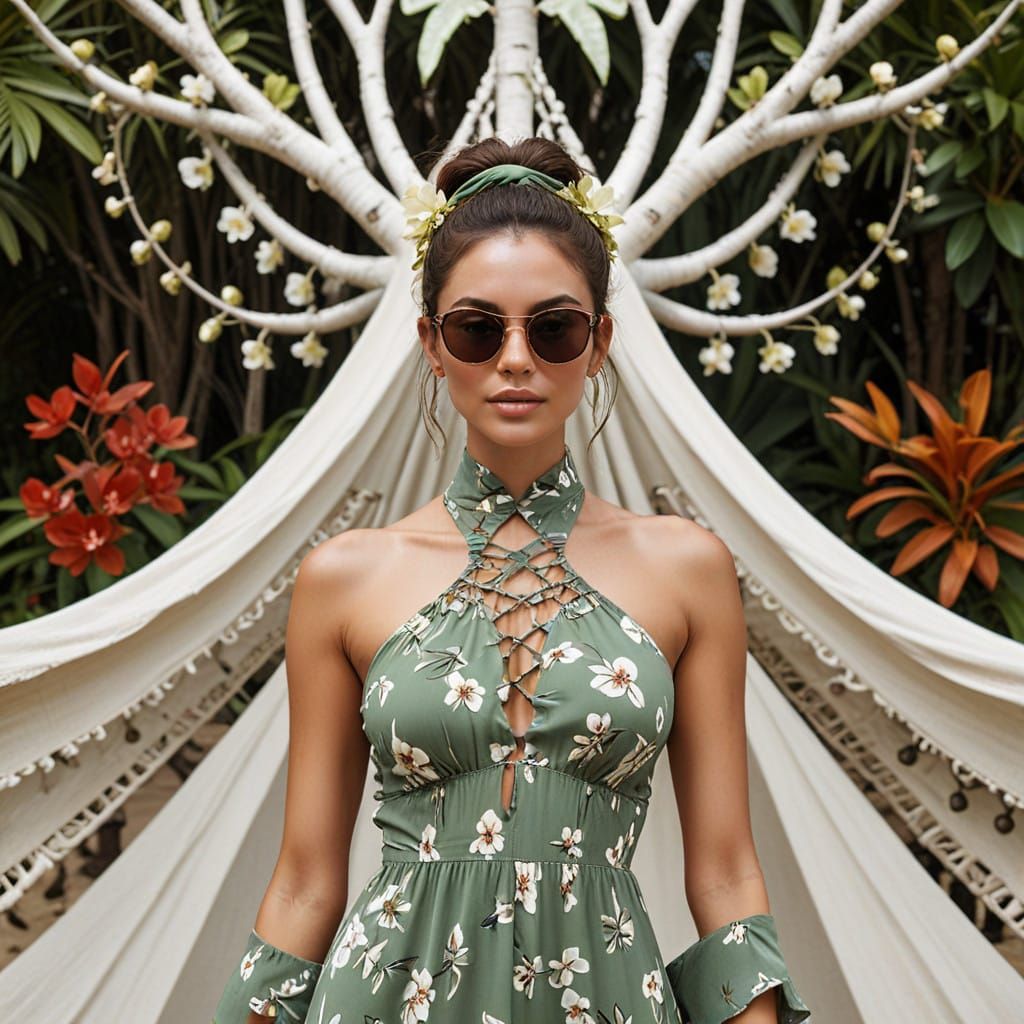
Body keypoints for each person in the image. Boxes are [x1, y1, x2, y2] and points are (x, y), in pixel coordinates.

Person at [213, 137, 812, 1024]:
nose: (517, 357)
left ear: (600, 341)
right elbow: (305, 880)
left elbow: (724, 868)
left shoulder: (689, 570)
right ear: (432, 342)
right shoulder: (343, 579)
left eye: (555, 326)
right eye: (478, 327)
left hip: (606, 1000)